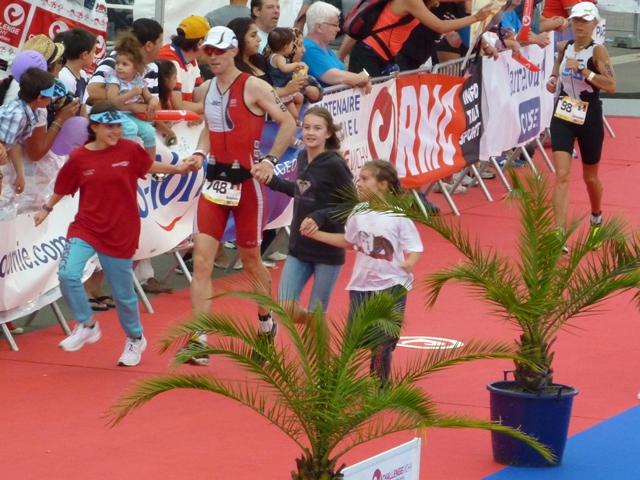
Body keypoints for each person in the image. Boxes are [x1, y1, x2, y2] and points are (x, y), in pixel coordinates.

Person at [33, 101, 196, 366]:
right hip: (86, 227)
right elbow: (63, 186)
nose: (116, 131)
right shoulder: (79, 158)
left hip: (121, 230)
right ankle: (86, 325)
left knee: (123, 295)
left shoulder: (130, 149)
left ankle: (135, 337)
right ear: (94, 127)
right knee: (67, 274)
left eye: (118, 125)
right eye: (109, 126)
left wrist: (177, 168)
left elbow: (149, 165)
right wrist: (46, 209)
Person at [178, 26, 297, 366]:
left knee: (250, 261)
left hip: (247, 184)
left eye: (218, 51)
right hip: (215, 183)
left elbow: (288, 122)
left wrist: (270, 161)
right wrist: (200, 154)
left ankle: (265, 322)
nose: (212, 57)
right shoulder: (206, 89)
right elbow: (210, 127)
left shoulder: (254, 86)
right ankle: (199, 338)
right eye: (208, 52)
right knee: (201, 262)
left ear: (232, 51)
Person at [303, 159, 422, 385]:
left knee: (383, 341)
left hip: (393, 284)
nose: (359, 183)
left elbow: (415, 247)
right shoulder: (358, 212)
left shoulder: (398, 216)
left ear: (383, 185)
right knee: (356, 339)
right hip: (362, 285)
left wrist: (410, 262)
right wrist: (316, 235)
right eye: (359, 178)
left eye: (365, 179)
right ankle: (341, 385)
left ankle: (380, 384)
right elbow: (349, 241)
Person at [263, 106, 354, 318]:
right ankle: (314, 324)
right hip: (299, 245)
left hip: (327, 250)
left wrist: (320, 216)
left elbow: (351, 203)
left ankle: (319, 343)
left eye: (317, 128)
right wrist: (273, 181)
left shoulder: (334, 164)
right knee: (284, 308)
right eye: (306, 127)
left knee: (318, 311)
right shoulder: (303, 156)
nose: (311, 133)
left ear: (328, 133)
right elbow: (302, 189)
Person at [546, 2, 615, 252]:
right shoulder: (563, 47)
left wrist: (586, 71)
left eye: (585, 21)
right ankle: (558, 233)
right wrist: (553, 81)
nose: (579, 25)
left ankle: (596, 217)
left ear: (595, 24)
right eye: (576, 21)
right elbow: (556, 72)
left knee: (590, 178)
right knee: (562, 175)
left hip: (590, 117)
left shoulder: (599, 52)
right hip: (564, 114)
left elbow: (611, 85)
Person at [344, 0, 494, 77]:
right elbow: (440, 26)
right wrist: (475, 17)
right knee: (366, 105)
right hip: (368, 53)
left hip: (385, 57)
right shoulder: (411, 1)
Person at [106, 32, 158, 161]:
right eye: (117, 63)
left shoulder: (138, 80)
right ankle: (125, 161)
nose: (119, 67)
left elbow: (149, 97)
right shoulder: (115, 79)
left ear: (136, 67)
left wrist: (152, 101)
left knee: (150, 132)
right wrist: (132, 93)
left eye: (124, 64)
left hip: (130, 115)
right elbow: (112, 103)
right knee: (130, 128)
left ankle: (150, 164)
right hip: (116, 114)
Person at [302, 2, 371, 90]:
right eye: (335, 25)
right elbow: (336, 77)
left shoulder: (325, 48)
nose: (338, 29)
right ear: (319, 27)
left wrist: (358, 79)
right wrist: (361, 78)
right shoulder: (307, 48)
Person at [158, 15, 209, 113]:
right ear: (200, 43)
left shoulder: (191, 59)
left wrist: (201, 112)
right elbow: (179, 106)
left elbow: (197, 99)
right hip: (167, 123)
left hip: (180, 123)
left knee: (210, 83)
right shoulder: (169, 59)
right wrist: (208, 107)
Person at [264, 27, 307, 123]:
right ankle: (294, 121)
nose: (293, 46)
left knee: (300, 97)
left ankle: (294, 119)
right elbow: (284, 68)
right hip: (281, 89)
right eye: (292, 44)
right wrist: (296, 64)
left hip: (286, 87)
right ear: (285, 47)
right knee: (294, 114)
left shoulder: (278, 57)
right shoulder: (278, 58)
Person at [56, 27, 97, 117]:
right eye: (94, 52)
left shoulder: (82, 74)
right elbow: (65, 114)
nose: (95, 56)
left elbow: (83, 108)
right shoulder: (64, 77)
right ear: (85, 55)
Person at [155, 60, 179, 145]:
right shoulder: (156, 99)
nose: (177, 80)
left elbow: (176, 113)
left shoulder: (169, 95)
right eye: (175, 77)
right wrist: (171, 133)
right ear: (166, 80)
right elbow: (159, 125)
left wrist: (170, 122)